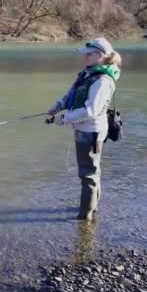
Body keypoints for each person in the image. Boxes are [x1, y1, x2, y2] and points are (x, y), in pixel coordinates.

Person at [47, 38, 121, 221]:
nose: (85, 57)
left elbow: (91, 111)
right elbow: (71, 94)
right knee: (91, 171)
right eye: (85, 54)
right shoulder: (86, 73)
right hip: (83, 129)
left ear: (100, 56)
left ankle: (85, 217)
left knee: (88, 174)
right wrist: (57, 106)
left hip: (92, 131)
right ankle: (91, 209)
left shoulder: (103, 81)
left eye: (88, 54)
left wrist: (63, 119)